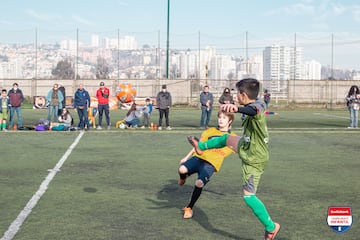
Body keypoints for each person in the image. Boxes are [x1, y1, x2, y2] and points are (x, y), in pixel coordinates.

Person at [188, 78, 280, 240]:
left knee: (249, 196)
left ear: (244, 95)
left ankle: (271, 227)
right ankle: (201, 147)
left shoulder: (257, 106)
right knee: (225, 138)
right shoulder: (256, 102)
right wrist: (238, 108)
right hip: (247, 145)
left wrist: (236, 109)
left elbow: (254, 111)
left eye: (238, 93)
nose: (236, 96)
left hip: (254, 157)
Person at [178, 110, 236, 219]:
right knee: (182, 169)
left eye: (224, 118)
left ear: (230, 121)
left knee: (199, 183)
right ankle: (183, 178)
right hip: (199, 158)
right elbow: (198, 146)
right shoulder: (210, 131)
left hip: (211, 165)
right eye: (220, 117)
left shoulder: (232, 137)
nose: (221, 120)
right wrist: (186, 157)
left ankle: (189, 208)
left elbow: (239, 149)